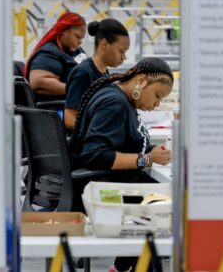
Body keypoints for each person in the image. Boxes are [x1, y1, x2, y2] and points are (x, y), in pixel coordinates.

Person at [69, 58, 174, 272]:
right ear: (142, 81)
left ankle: (122, 267)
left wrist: (149, 155)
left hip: (107, 183)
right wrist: (145, 159)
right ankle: (126, 267)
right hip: (101, 190)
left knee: (162, 198)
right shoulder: (115, 103)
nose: (157, 104)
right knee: (167, 206)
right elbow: (96, 155)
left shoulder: (119, 97)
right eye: (158, 96)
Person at [64, 19, 129, 129]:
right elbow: (70, 120)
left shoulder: (104, 72)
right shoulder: (83, 73)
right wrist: (104, 129)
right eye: (121, 51)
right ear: (104, 44)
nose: (124, 57)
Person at [24, 12, 87, 103]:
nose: (80, 42)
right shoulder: (48, 53)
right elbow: (38, 82)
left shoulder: (75, 50)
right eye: (77, 37)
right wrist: (78, 90)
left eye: (82, 38)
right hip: (58, 109)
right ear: (64, 31)